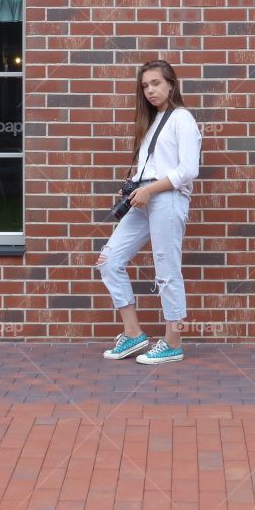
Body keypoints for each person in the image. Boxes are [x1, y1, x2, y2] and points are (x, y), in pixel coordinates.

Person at [97, 59, 202, 364]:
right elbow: (155, 165)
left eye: (156, 83)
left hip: (167, 199)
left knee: (167, 271)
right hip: (143, 198)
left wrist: (149, 189)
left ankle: (173, 342)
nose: (150, 90)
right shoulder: (152, 121)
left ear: (171, 84)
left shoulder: (182, 119)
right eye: (145, 86)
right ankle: (133, 334)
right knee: (108, 261)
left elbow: (188, 170)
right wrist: (134, 185)